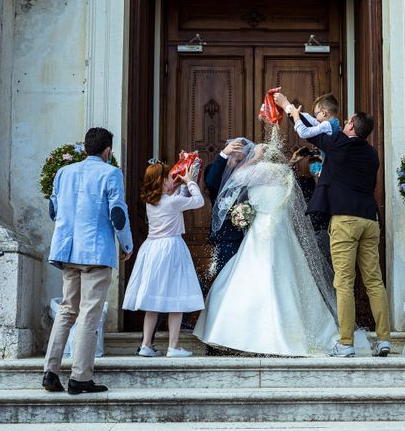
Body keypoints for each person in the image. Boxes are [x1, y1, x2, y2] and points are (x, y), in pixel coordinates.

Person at [193, 136, 370, 356]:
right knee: (287, 279)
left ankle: (248, 337)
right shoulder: (284, 173)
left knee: (253, 279)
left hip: (262, 234)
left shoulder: (257, 171)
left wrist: (254, 158)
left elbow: (238, 177)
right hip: (280, 234)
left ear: (260, 157)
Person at [275, 92, 392, 358]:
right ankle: (384, 339)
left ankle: (346, 342)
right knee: (374, 281)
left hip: (345, 220)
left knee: (344, 282)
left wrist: (288, 108)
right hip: (370, 220)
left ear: (350, 126)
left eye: (347, 121)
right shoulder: (372, 154)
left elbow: (307, 132)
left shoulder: (338, 142)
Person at [43, 127, 133, 394]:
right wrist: (127, 244)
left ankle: (50, 371)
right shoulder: (111, 173)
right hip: (95, 252)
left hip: (68, 251)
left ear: (85, 149)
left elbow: (53, 210)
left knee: (67, 309)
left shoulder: (63, 173)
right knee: (89, 313)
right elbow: (117, 212)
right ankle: (80, 377)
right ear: (108, 151)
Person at [123, 161, 205, 357]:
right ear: (161, 181)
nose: (171, 179)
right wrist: (191, 182)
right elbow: (198, 201)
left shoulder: (152, 201)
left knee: (154, 300)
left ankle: (145, 345)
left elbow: (174, 199)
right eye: (168, 177)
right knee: (176, 296)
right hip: (171, 248)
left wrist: (176, 186)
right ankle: (173, 346)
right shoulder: (171, 202)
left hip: (152, 249)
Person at [203, 138, 255, 278]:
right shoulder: (214, 169)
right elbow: (211, 182)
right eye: (237, 160)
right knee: (225, 275)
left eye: (242, 160)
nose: (240, 164)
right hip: (226, 235)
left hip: (250, 234)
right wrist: (223, 154)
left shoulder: (250, 172)